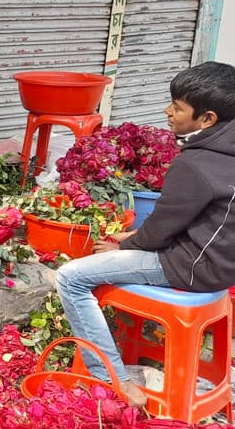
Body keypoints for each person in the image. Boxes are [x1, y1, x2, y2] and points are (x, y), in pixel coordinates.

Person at [56, 61, 235, 408]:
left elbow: (159, 233)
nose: (168, 112)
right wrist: (133, 238)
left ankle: (111, 377)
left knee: (71, 277)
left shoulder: (194, 164)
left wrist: (122, 244)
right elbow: (185, 219)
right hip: (223, 266)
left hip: (192, 268)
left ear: (207, 119)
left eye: (178, 107)